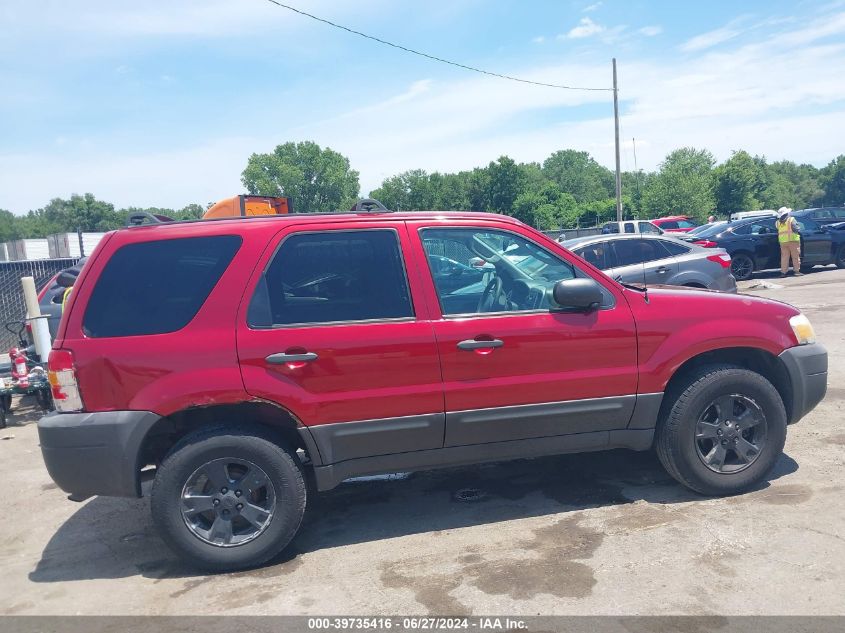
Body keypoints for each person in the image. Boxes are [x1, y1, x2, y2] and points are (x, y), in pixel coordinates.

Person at [776, 207, 802, 277]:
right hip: (793, 240)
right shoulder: (791, 219)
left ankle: (783, 272)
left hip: (783, 242)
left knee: (784, 257)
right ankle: (796, 271)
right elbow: (797, 229)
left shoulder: (778, 222)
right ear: (787, 213)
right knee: (795, 257)